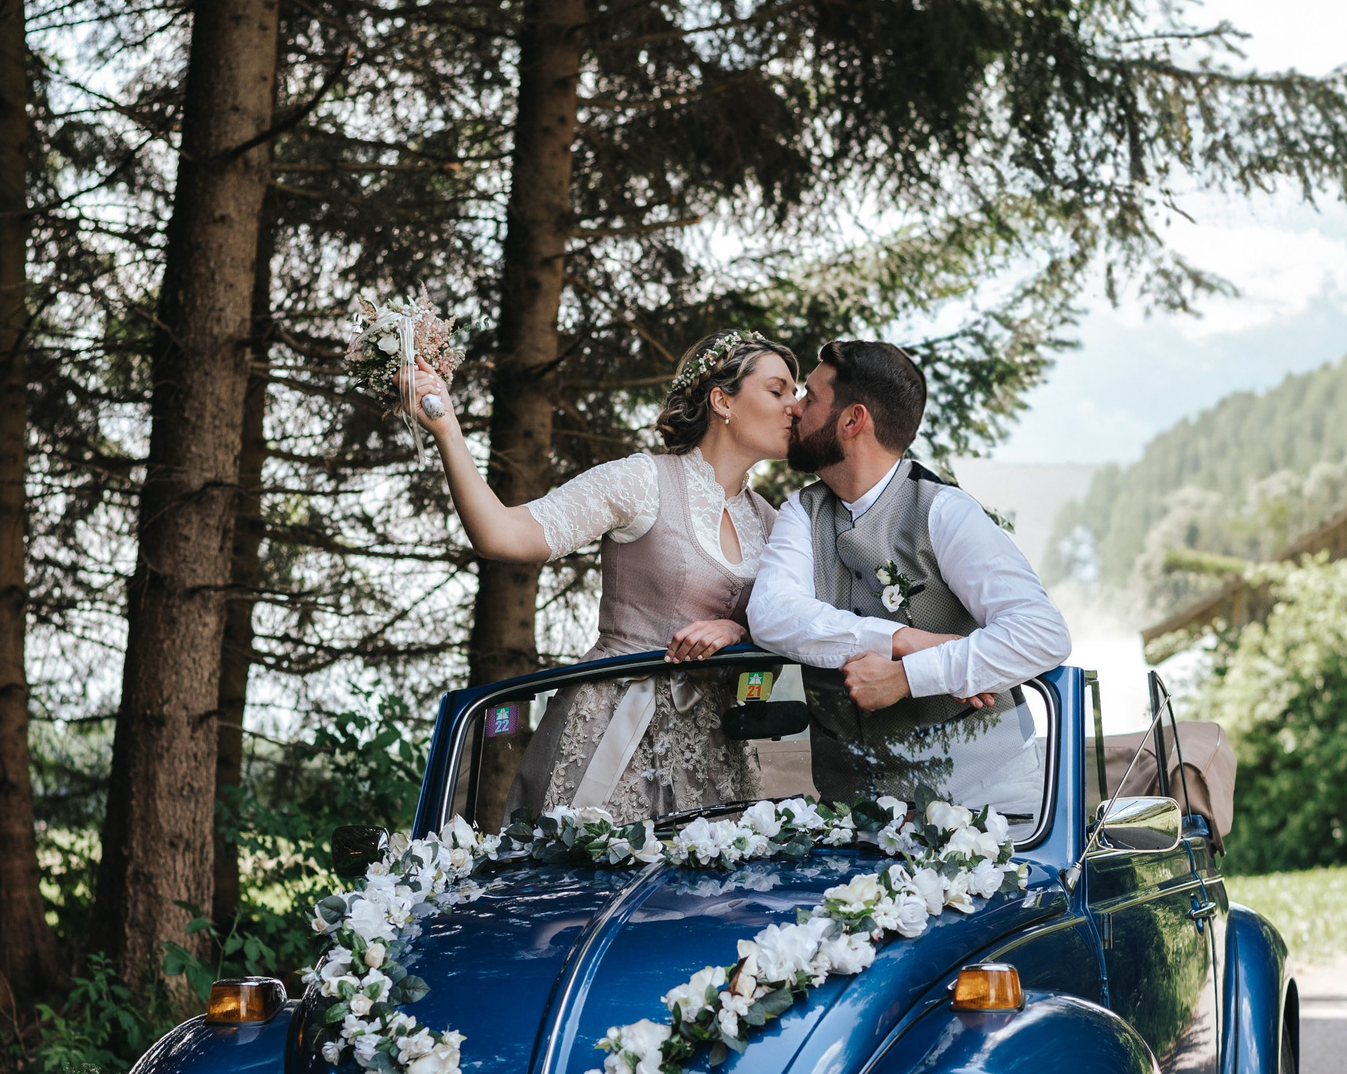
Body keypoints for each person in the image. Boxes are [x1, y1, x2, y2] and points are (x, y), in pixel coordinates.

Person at [405, 330, 800, 819]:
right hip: (610, 730)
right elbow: (502, 534)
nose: (795, 406)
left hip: (716, 752)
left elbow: (791, 630)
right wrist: (447, 429)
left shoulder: (773, 521)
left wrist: (738, 630)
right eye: (778, 390)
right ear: (723, 400)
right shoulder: (639, 482)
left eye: (797, 393)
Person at [746, 339, 1072, 816]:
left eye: (810, 397)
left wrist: (907, 677)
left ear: (852, 420)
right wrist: (901, 639)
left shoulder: (944, 511)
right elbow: (772, 615)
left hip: (994, 801)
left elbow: (1042, 635)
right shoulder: (802, 511)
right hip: (856, 815)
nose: (794, 409)